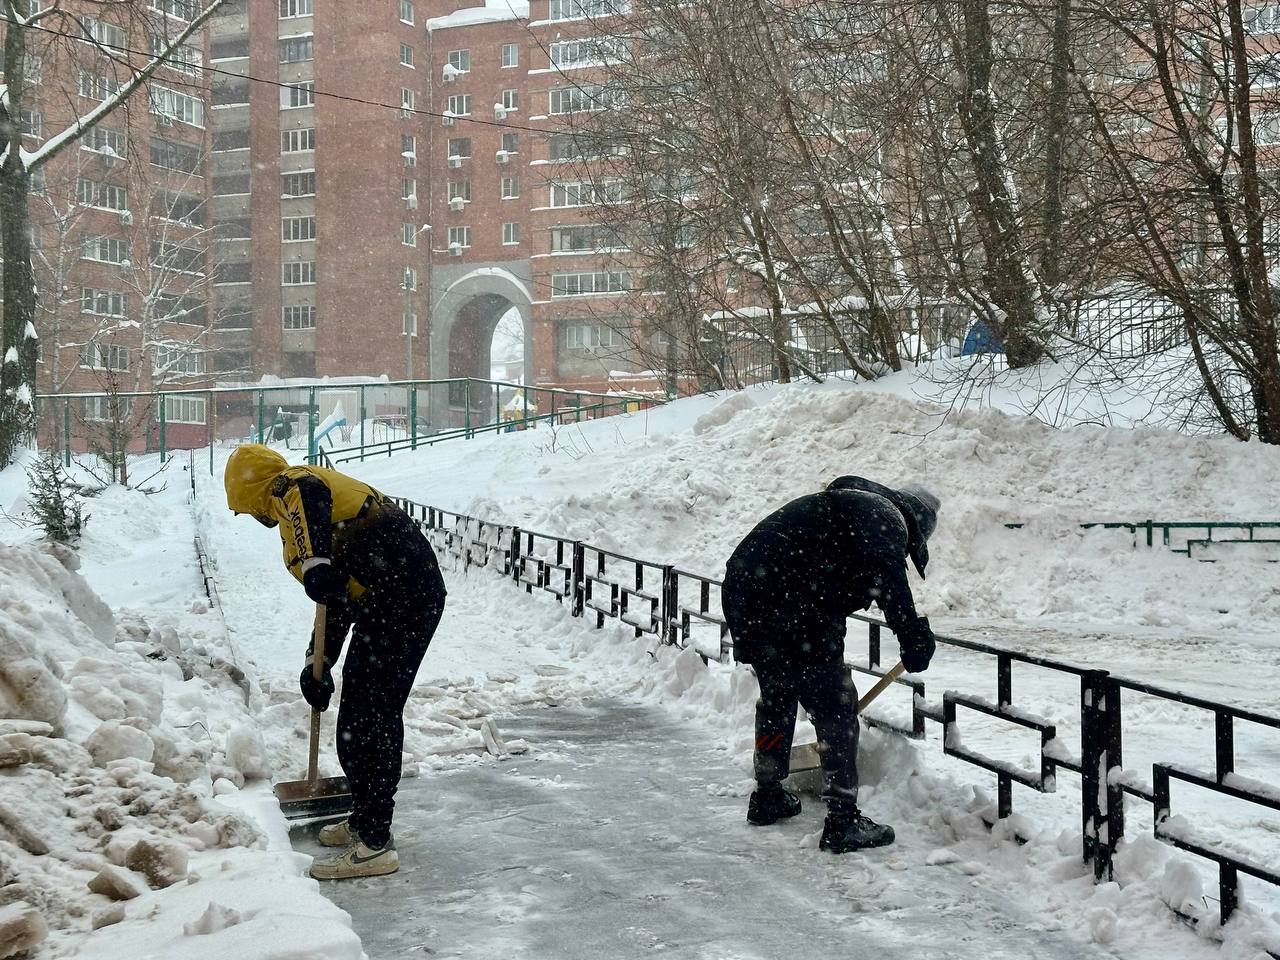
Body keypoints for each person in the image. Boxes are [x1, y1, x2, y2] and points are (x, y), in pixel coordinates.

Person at [224, 444, 446, 880]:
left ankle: (375, 844)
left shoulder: (296, 487)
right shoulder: (304, 523)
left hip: (403, 598)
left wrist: (316, 564)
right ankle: (365, 821)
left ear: (252, 494)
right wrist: (318, 663)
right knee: (361, 713)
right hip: (389, 600)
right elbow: (335, 599)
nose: (253, 519)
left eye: (247, 510)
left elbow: (310, 500)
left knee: (371, 717)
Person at [721, 475, 939, 854]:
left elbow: (837, 580)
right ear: (916, 524)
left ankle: (768, 794)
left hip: (747, 591)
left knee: (778, 695)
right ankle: (842, 820)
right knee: (835, 706)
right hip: (792, 600)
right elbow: (888, 578)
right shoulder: (883, 516)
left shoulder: (845, 508)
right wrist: (913, 636)